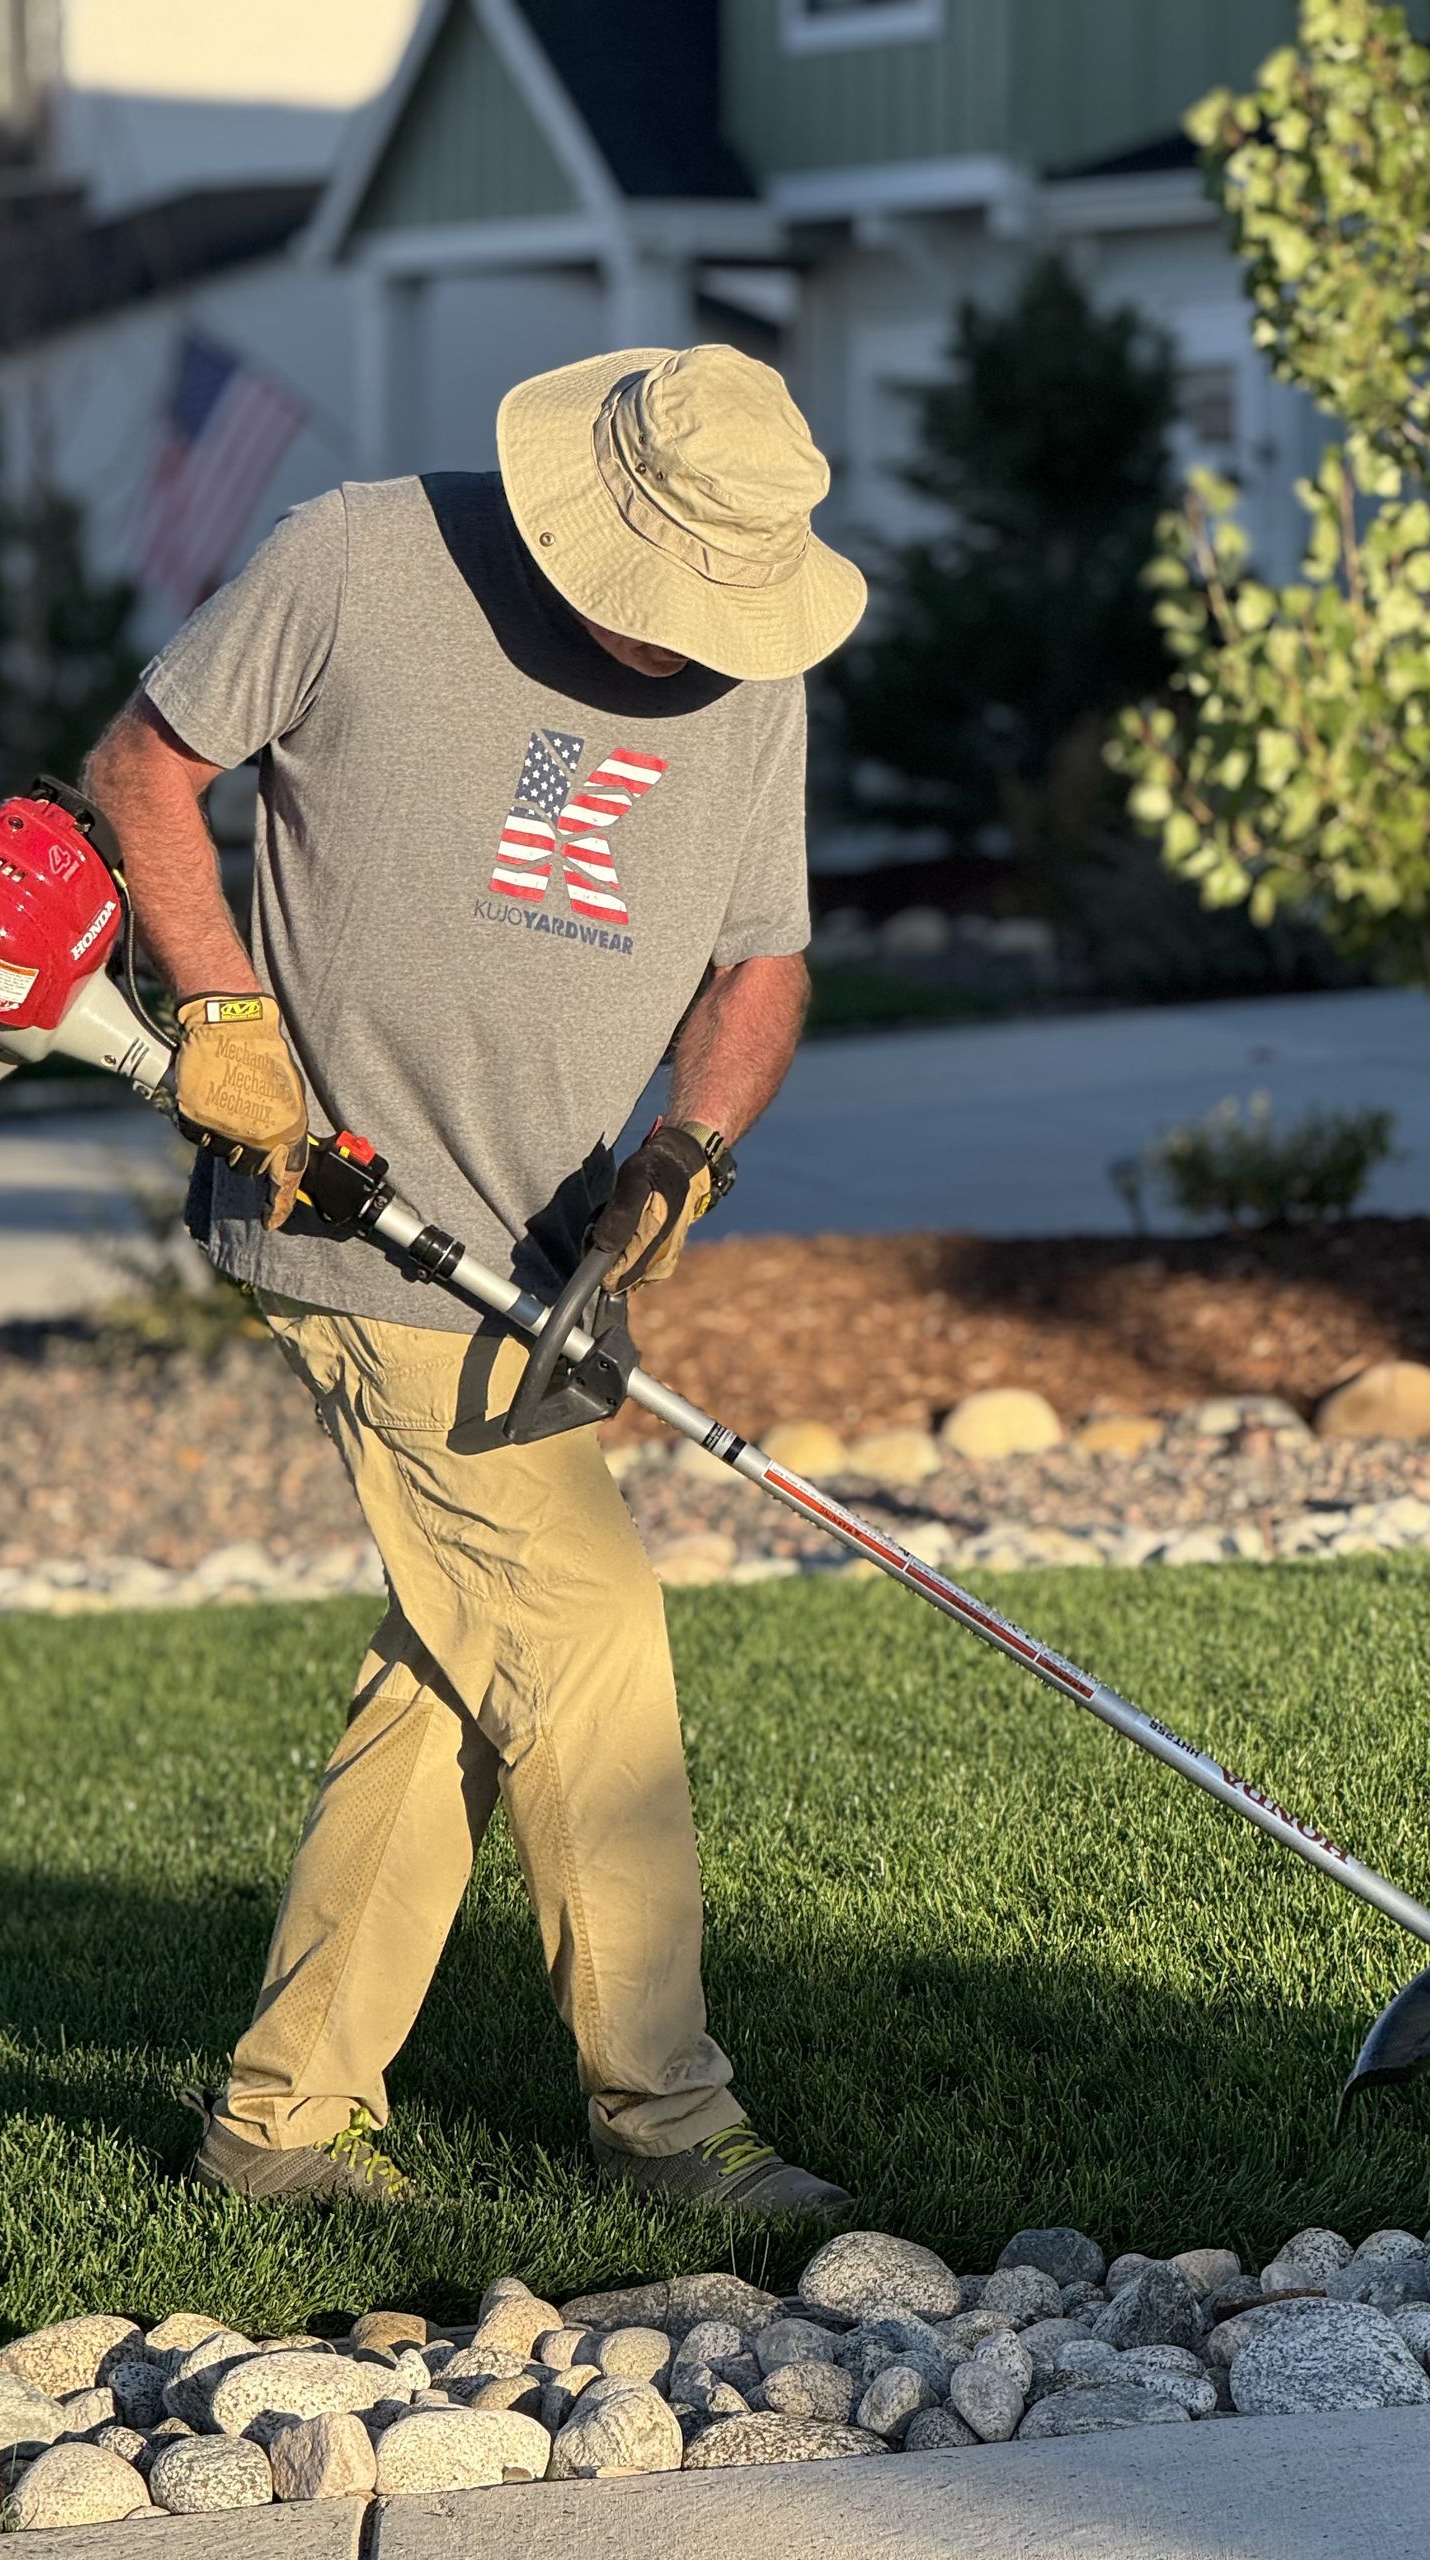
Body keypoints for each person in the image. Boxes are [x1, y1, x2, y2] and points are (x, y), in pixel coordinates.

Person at [83, 343, 866, 2212]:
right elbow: (141, 767)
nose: (689, 640)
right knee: (589, 1628)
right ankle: (668, 2128)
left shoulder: (753, 677)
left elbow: (762, 960)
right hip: (343, 1205)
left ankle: (279, 2125)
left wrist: (688, 1153)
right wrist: (221, 1013)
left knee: (452, 1667)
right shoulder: (360, 559)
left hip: (543, 1242)